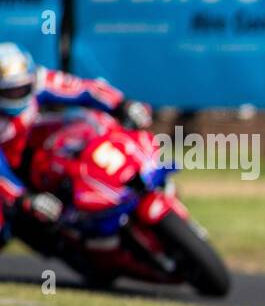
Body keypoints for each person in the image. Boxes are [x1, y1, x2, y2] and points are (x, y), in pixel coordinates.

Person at [0, 43, 151, 253]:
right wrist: (22, 197)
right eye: (10, 90)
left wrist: (123, 104)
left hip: (31, 152)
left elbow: (85, 89)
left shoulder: (40, 81)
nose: (18, 94)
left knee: (88, 124)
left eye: (22, 88)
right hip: (9, 178)